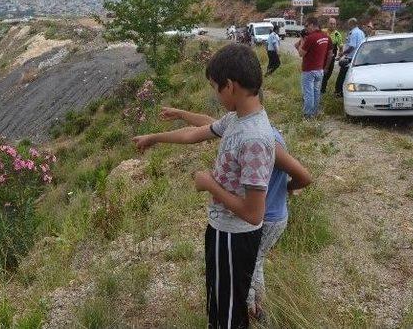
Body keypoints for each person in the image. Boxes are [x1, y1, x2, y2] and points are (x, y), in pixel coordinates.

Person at [132, 45, 274, 328]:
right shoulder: (237, 119)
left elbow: (254, 213)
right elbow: (195, 133)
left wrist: (211, 185)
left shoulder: (254, 138)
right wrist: (154, 137)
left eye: (214, 88)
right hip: (222, 231)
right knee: (219, 300)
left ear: (230, 86)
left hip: (236, 237)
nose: (214, 94)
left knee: (230, 313)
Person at [158, 106, 312, 320]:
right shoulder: (247, 126)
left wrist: (286, 188)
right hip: (272, 214)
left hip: (267, 217)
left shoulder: (261, 139)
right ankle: (254, 308)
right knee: (254, 261)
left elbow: (304, 176)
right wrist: (182, 114)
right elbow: (208, 122)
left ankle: (252, 309)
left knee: (251, 263)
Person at [294, 17, 333, 118]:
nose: (306, 28)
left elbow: (301, 54)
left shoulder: (311, 38)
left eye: (306, 26)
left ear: (312, 24)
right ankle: (315, 112)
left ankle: (308, 114)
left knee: (308, 94)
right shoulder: (326, 37)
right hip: (319, 70)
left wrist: (302, 40)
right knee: (316, 93)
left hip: (308, 70)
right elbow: (330, 54)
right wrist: (326, 68)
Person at [334, 18, 366, 97]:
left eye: (349, 24)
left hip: (350, 58)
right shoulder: (361, 32)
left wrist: (342, 54)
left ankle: (338, 92)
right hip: (359, 58)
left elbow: (352, 46)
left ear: (352, 24)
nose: (348, 26)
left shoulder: (353, 33)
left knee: (342, 76)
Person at [321, 17, 343, 94]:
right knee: (321, 72)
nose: (332, 25)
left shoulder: (337, 34)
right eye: (331, 24)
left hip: (331, 56)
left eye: (334, 24)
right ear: (328, 24)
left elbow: (340, 46)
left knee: (328, 73)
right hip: (321, 55)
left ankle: (322, 87)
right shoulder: (323, 31)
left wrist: (340, 55)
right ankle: (321, 89)